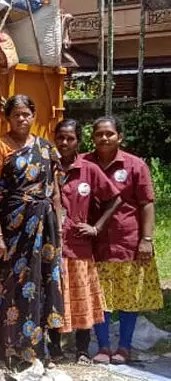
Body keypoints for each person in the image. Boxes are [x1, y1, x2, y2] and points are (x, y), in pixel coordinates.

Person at [0, 94, 64, 367]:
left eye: (26, 114)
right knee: (10, 285)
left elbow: (55, 193)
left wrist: (59, 227)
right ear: (7, 118)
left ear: (33, 115)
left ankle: (40, 350)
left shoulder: (46, 148)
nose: (22, 119)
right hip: (13, 228)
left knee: (42, 283)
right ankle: (7, 349)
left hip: (45, 227)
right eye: (16, 114)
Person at [83, 117, 164, 365]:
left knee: (129, 296)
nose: (104, 138)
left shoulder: (134, 165)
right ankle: (104, 346)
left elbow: (147, 204)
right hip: (94, 243)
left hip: (128, 241)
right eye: (99, 134)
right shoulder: (84, 163)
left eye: (109, 133)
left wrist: (146, 239)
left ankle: (125, 347)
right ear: (93, 137)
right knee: (100, 296)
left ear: (120, 136)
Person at [49, 119, 121, 364]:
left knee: (82, 300)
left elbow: (114, 199)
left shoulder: (89, 169)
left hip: (79, 246)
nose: (65, 142)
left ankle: (81, 349)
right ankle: (55, 349)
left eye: (70, 138)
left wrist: (96, 227)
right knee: (55, 297)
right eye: (60, 138)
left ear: (78, 141)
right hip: (52, 246)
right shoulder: (48, 166)